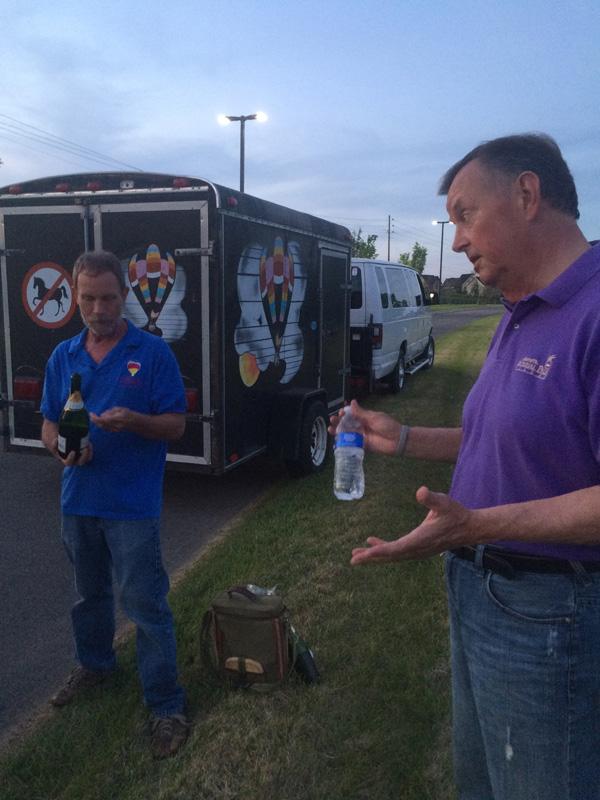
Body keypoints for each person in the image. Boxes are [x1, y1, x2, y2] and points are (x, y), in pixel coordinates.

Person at [330, 134, 600, 800]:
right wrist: (408, 437)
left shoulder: (592, 313)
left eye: (464, 214)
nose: (455, 242)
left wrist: (477, 524)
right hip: (484, 598)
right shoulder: (518, 310)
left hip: (550, 616)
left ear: (528, 195)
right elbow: (511, 435)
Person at [41, 250, 189, 759]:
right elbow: (48, 422)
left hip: (132, 505)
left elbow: (176, 424)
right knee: (89, 597)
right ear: (75, 298)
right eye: (88, 299)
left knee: (145, 605)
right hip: (78, 501)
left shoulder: (152, 354)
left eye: (107, 298)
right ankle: (96, 665)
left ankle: (167, 705)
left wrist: (135, 423)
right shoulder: (63, 357)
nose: (98, 308)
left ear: (123, 296)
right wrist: (61, 448)